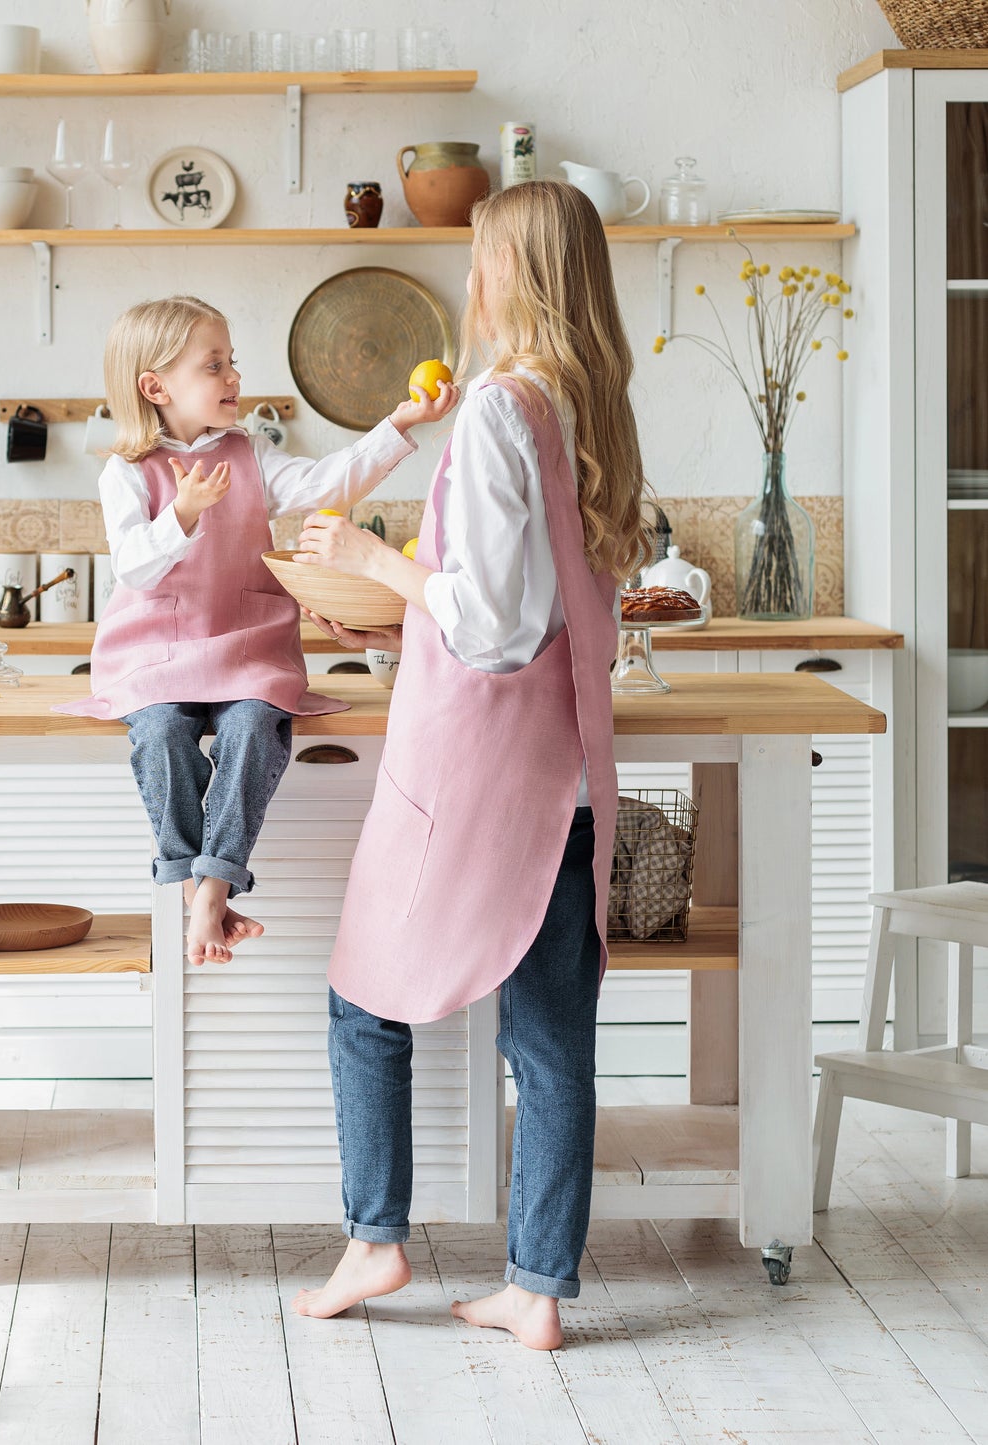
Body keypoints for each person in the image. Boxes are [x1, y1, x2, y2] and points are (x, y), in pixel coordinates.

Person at [291, 181, 652, 1349]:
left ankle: (374, 1234)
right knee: (548, 1043)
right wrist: (396, 605)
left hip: (474, 773)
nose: (470, 279)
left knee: (360, 993)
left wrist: (368, 559)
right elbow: (541, 605)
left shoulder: (499, 408)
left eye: (481, 257)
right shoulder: (587, 406)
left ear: (515, 274)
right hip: (566, 770)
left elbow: (491, 625)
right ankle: (537, 1288)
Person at [56, 295, 454, 966]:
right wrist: (180, 511)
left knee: (251, 728)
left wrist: (399, 422)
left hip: (247, 653)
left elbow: (332, 479)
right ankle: (192, 879)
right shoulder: (124, 471)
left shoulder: (252, 454)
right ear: (154, 386)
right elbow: (133, 568)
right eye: (213, 365)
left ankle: (212, 882)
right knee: (159, 733)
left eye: (230, 361)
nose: (233, 377)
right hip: (154, 656)